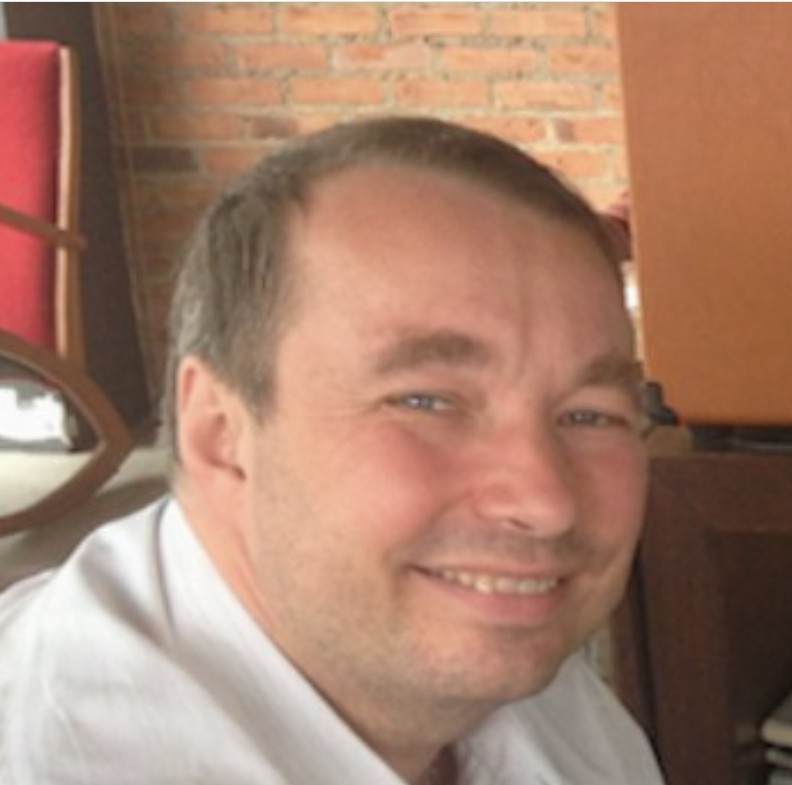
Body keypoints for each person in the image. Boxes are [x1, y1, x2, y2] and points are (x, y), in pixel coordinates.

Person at [0, 116, 665, 785]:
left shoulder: (444, 637)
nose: (546, 503)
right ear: (221, 434)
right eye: (426, 401)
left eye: (590, 415)